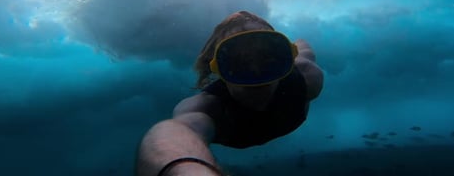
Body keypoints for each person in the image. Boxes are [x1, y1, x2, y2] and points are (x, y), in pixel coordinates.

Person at [136, 11, 324, 176]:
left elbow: (303, 48)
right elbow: (174, 131)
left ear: (284, 56)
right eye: (237, 60)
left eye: (269, 55)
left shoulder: (307, 76)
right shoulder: (207, 107)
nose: (255, 70)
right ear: (217, 68)